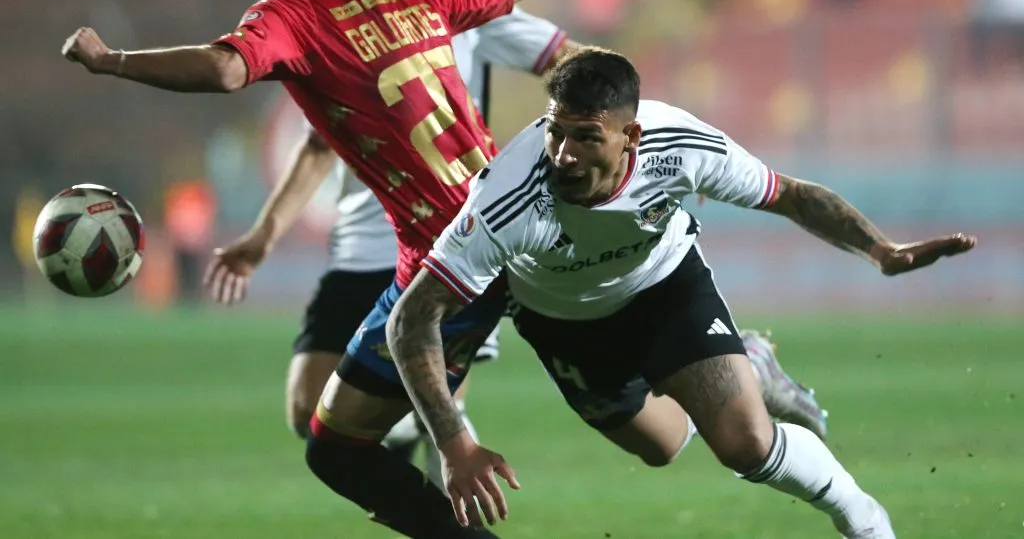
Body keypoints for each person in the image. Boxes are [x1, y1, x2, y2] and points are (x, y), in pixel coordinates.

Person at [61, 0, 661, 538]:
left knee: (334, 446)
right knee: (656, 434)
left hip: (450, 260)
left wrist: (112, 59)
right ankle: (718, 358)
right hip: (520, 222)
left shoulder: (290, 17)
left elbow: (226, 68)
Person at [203, 0, 826, 488]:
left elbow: (567, 52)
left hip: (472, 242)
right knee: (312, 413)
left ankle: (730, 367)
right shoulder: (310, 28)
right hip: (365, 244)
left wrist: (603, 141)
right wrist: (264, 233)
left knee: (466, 417)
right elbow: (316, 148)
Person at [382, 47, 977, 536]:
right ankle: (753, 363)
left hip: (666, 288)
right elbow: (410, 319)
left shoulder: (680, 146)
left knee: (744, 443)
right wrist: (455, 443)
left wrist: (880, 252)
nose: (563, 155)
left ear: (630, 136)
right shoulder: (507, 198)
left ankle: (866, 521)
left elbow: (790, 195)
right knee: (661, 447)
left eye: (586, 137)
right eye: (555, 133)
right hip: (564, 322)